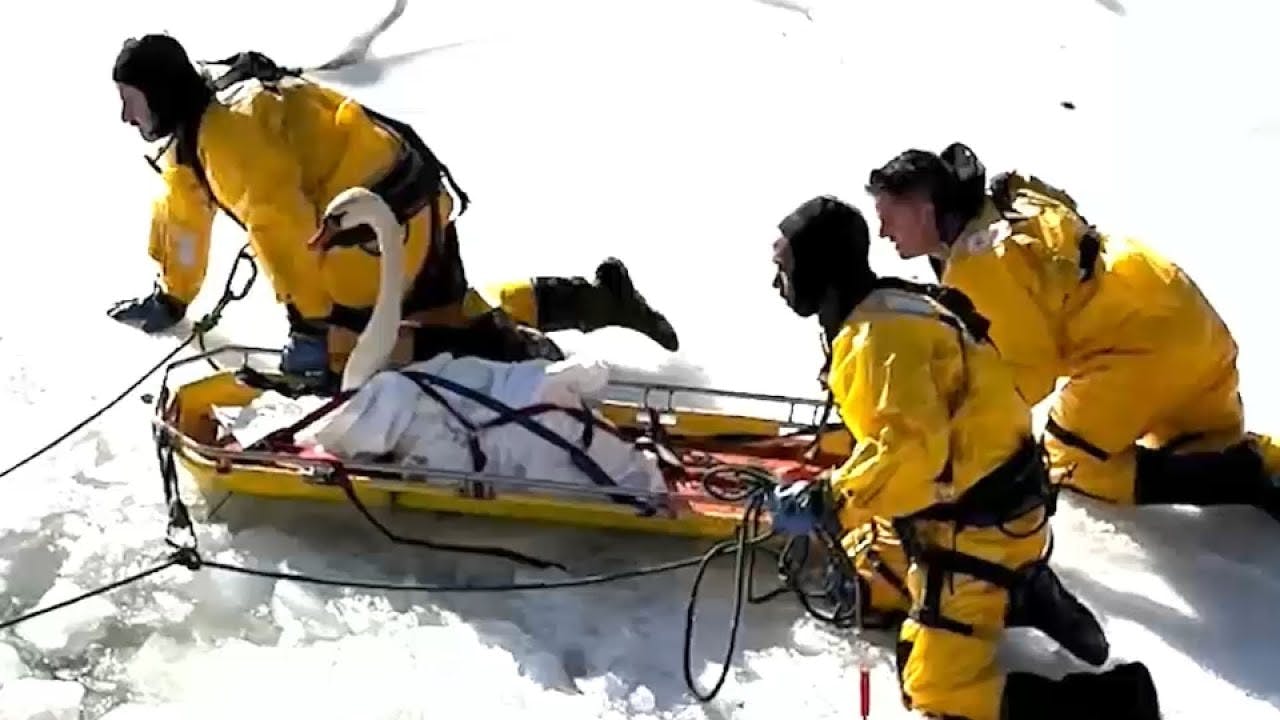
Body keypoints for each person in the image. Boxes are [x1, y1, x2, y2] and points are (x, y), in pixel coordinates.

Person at [767, 195, 1160, 720]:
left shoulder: (877, 341)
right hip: (993, 500)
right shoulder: (889, 306)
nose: (777, 282)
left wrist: (829, 498)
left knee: (933, 689)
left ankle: (1115, 700)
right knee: (865, 574)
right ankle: (1018, 587)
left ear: (822, 269)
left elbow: (910, 453)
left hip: (974, 529)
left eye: (786, 267)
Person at [107, 34, 679, 382]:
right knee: (449, 309)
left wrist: (311, 327)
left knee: (358, 355)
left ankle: (509, 350)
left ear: (162, 94)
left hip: (371, 238)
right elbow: (184, 220)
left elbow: (281, 228)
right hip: (414, 200)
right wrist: (171, 296)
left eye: (132, 102)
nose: (127, 117)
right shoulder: (215, 115)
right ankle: (592, 299)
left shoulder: (226, 140)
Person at [864, 142, 1280, 521]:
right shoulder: (1008, 198)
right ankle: (1252, 461)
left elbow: (1030, 372)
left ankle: (1236, 476)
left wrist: (958, 420)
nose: (883, 232)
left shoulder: (980, 269)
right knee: (1205, 441)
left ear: (924, 210)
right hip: (1179, 306)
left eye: (889, 217)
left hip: (1134, 352)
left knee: (1069, 459)